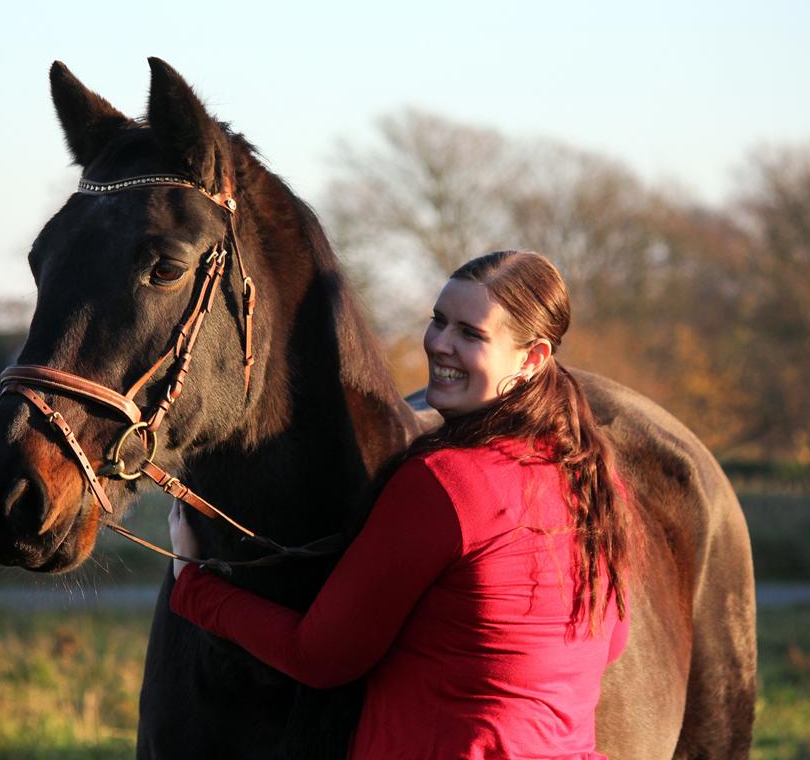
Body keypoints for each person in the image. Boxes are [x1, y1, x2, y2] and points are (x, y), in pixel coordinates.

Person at [169, 250, 635, 760]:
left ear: (532, 358)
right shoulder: (594, 478)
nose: (440, 344)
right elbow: (609, 643)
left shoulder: (446, 483)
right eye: (439, 321)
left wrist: (194, 584)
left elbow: (320, 656)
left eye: (470, 334)